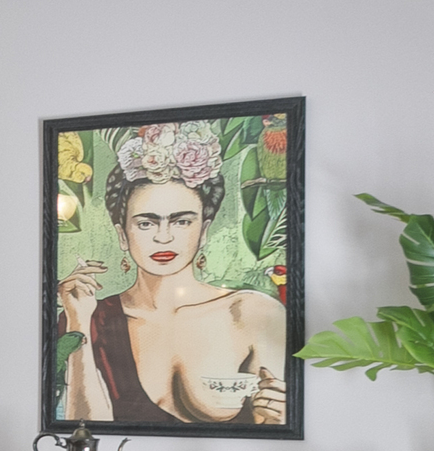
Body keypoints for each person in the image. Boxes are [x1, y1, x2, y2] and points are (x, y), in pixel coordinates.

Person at [55, 121, 288, 426]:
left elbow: (273, 430)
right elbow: (84, 430)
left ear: (204, 230)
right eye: (146, 223)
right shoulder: (91, 318)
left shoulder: (252, 313)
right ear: (122, 235)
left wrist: (278, 415)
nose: (163, 237)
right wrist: (78, 321)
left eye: (181, 222)